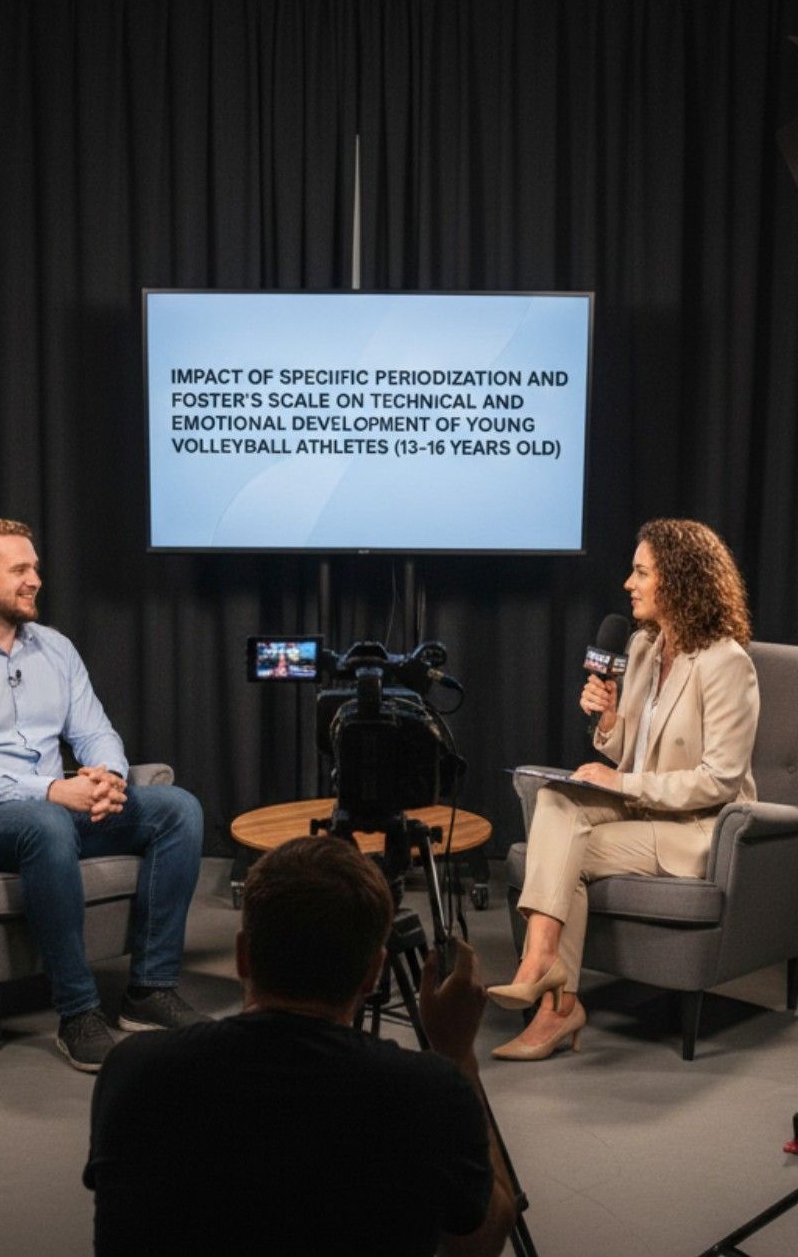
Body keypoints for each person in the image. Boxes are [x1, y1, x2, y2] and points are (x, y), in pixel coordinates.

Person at [84, 834, 517, 1257]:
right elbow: (482, 1240)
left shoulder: (134, 1071)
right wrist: (458, 1054)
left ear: (242, 955)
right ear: (373, 973)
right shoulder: (430, 1091)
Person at [0, 518, 207, 1072]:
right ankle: (78, 1012)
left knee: (178, 809)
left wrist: (109, 778)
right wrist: (52, 789)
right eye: (19, 569)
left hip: (62, 806)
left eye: (35, 567)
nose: (36, 579)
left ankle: (149, 991)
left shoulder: (55, 649)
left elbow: (92, 731)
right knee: (45, 823)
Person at [488, 518, 758, 1060]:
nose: (627, 584)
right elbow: (629, 749)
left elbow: (721, 778)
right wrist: (608, 722)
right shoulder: (641, 649)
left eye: (641, 572)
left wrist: (623, 780)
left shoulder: (726, 663)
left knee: (568, 851)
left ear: (680, 581)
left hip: (697, 830)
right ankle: (543, 970)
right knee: (556, 801)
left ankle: (556, 1007)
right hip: (643, 808)